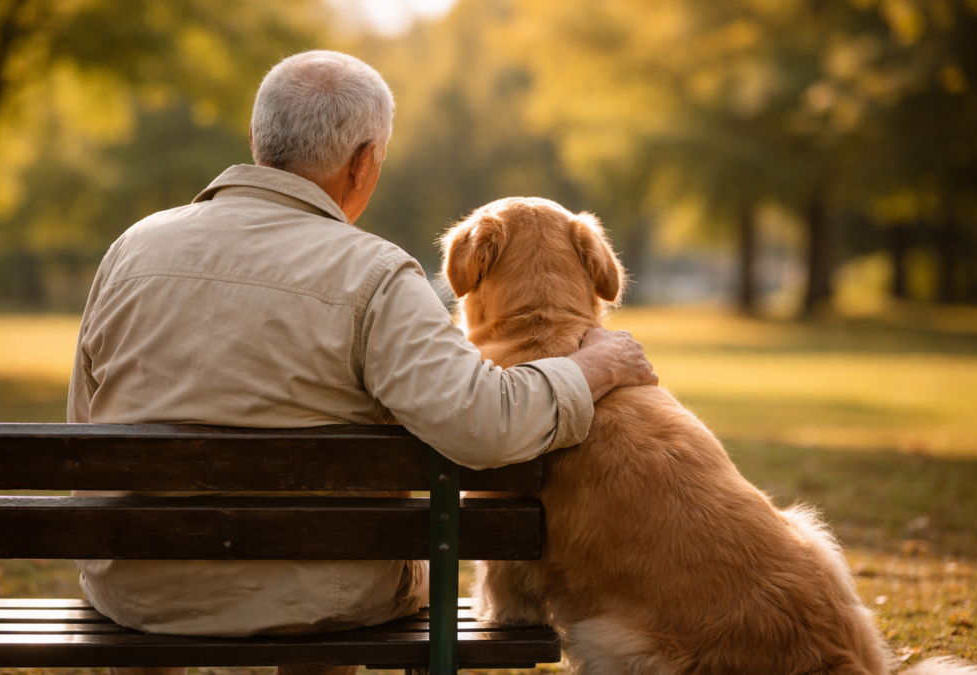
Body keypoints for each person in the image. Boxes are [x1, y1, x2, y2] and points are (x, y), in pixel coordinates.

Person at [67, 50, 657, 675]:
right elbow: (485, 426)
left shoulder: (133, 248)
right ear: (364, 161)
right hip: (324, 598)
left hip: (136, 586)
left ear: (261, 140)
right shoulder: (374, 274)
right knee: (349, 568)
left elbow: (86, 420)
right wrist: (596, 366)